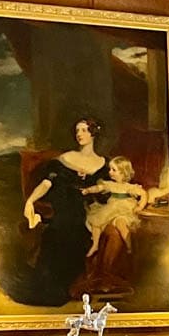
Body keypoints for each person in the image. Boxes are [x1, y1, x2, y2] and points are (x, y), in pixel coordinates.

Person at [15, 116, 107, 305]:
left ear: (93, 133)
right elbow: (47, 183)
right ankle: (52, 287)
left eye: (83, 130)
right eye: (77, 131)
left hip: (89, 211)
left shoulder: (105, 164)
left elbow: (112, 190)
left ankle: (71, 284)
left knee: (79, 232)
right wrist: (30, 201)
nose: (79, 134)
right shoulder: (64, 159)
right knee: (59, 232)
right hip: (65, 208)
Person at [81, 157, 148, 256]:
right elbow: (99, 187)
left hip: (124, 210)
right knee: (96, 222)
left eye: (114, 170)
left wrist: (140, 206)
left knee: (122, 225)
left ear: (123, 172)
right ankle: (95, 245)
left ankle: (129, 246)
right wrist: (88, 190)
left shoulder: (130, 187)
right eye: (110, 169)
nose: (110, 172)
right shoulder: (110, 184)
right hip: (110, 209)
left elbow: (144, 194)